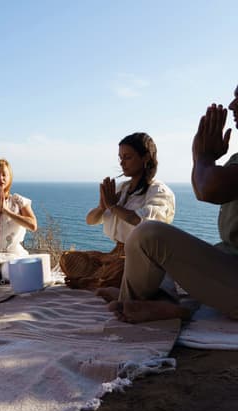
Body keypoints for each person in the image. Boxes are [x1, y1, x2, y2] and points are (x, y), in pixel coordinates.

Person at [97, 86, 238, 323]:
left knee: (148, 235)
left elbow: (208, 189)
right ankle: (166, 305)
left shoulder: (158, 190)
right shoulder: (124, 189)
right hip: (230, 259)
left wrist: (202, 156)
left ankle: (134, 301)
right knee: (160, 257)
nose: (233, 106)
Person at [61, 132, 175, 290]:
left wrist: (114, 207)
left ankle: (96, 282)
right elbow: (91, 220)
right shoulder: (122, 188)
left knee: (123, 268)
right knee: (70, 259)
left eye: (127, 157)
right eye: (120, 158)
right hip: (115, 254)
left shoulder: (159, 191)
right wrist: (103, 206)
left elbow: (144, 223)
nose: (122, 163)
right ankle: (102, 279)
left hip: (143, 256)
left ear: (146, 158)